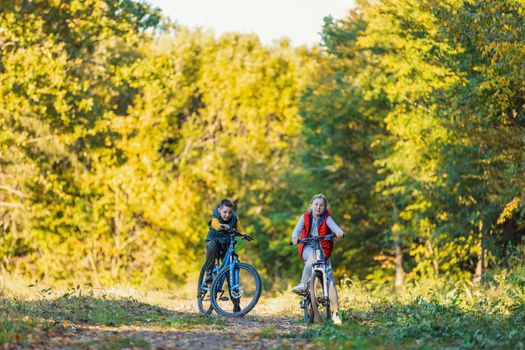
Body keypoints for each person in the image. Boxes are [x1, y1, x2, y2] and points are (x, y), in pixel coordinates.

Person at [291, 193, 344, 324]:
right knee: (312, 257)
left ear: (325, 207)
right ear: (311, 205)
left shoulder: (327, 218)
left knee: (330, 281)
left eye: (321, 205)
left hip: (323, 249)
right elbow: (296, 231)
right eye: (316, 204)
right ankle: (303, 285)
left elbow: (336, 228)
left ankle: (336, 314)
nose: (318, 207)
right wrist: (295, 238)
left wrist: (339, 233)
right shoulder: (305, 217)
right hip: (308, 247)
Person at [204, 198, 245, 286]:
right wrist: (222, 226)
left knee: (230, 261)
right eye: (225, 212)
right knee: (212, 245)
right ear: (219, 210)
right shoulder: (215, 217)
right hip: (214, 240)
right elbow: (215, 224)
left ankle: (232, 287)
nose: (227, 215)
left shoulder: (234, 218)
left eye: (230, 212)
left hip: (226, 242)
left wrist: (244, 234)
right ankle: (208, 274)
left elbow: (239, 228)